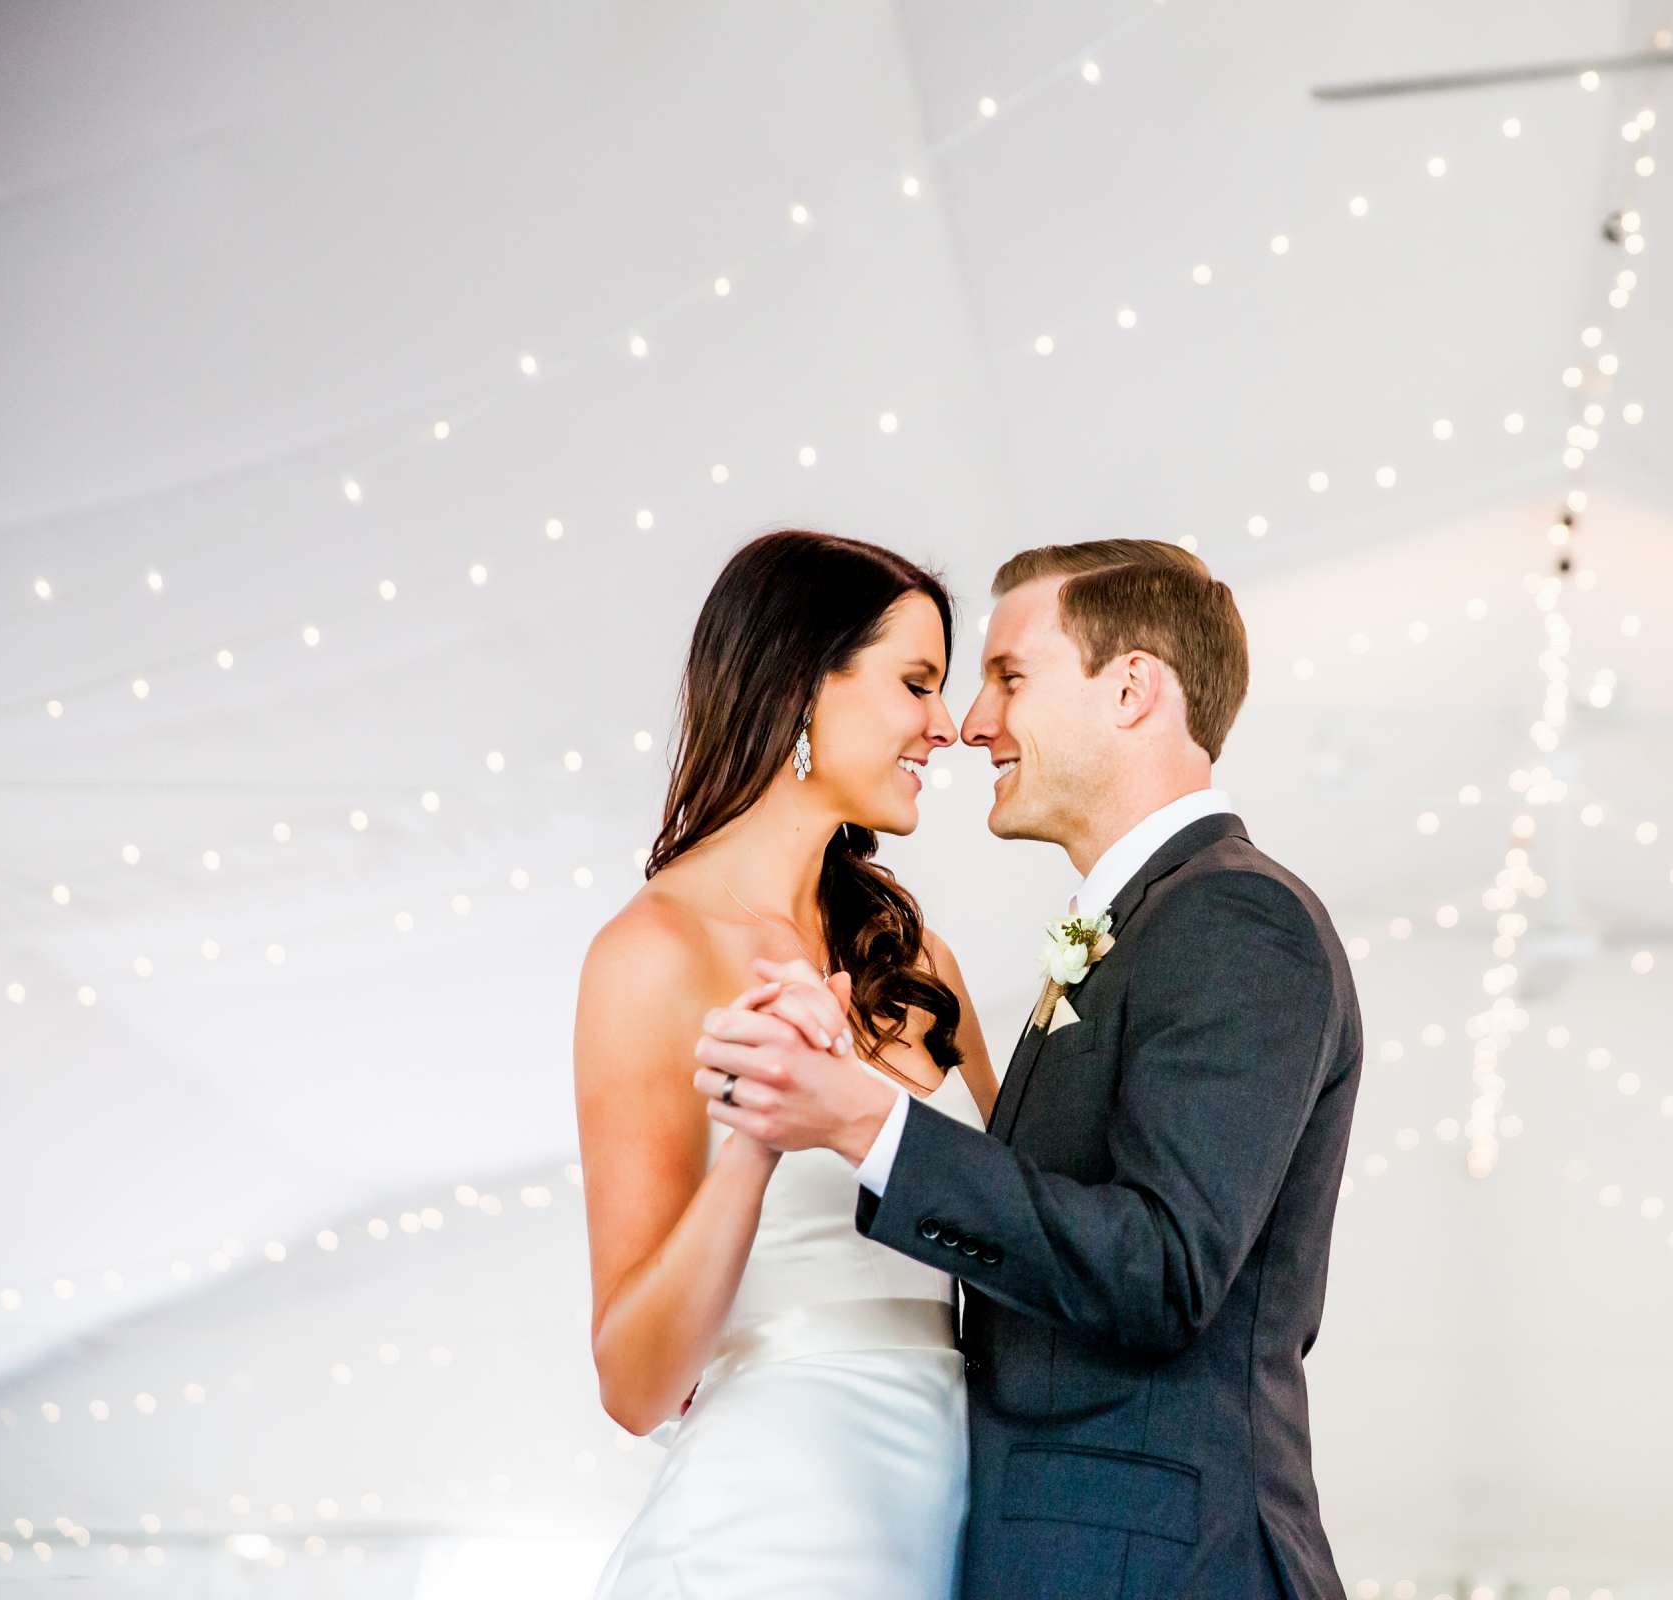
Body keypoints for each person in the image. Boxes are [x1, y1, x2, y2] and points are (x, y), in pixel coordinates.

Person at [699, 539, 1362, 1598]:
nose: (971, 722)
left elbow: (1161, 1271)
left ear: (1133, 688)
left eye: (1009, 676)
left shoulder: (1237, 917)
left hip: (1166, 1567)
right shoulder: (1145, 925)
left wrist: (868, 1126)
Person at [575, 529, 998, 1598]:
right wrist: (757, 1140)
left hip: (963, 1514)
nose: (945, 727)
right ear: (804, 686)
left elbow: (1031, 1225)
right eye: (916, 684)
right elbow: (634, 1383)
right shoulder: (649, 957)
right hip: (776, 1530)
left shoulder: (916, 960)